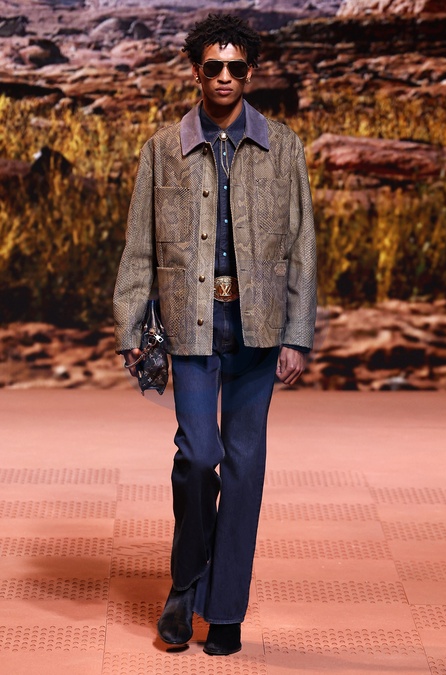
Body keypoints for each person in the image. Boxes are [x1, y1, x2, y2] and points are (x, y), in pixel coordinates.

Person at [113, 13, 317, 656]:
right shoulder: (161, 149)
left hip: (259, 328)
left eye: (235, 67)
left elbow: (303, 245)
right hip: (190, 325)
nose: (224, 77)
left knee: (246, 467)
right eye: (213, 66)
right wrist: (129, 324)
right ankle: (185, 582)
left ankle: (224, 609)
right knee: (200, 457)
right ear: (196, 72)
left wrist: (298, 334)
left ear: (249, 73)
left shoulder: (283, 147)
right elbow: (139, 245)